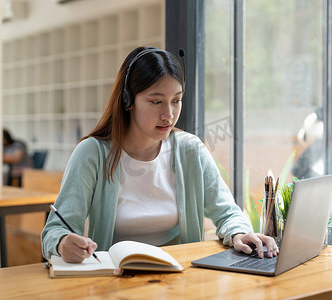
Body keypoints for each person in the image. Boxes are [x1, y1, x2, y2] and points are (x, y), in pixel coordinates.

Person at [41, 46, 279, 263]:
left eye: (176, 101)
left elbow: (228, 212)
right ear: (127, 101)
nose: (169, 114)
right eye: (156, 102)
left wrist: (239, 233)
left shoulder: (190, 150)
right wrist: (62, 243)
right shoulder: (93, 153)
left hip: (180, 278)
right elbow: (54, 230)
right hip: (113, 280)